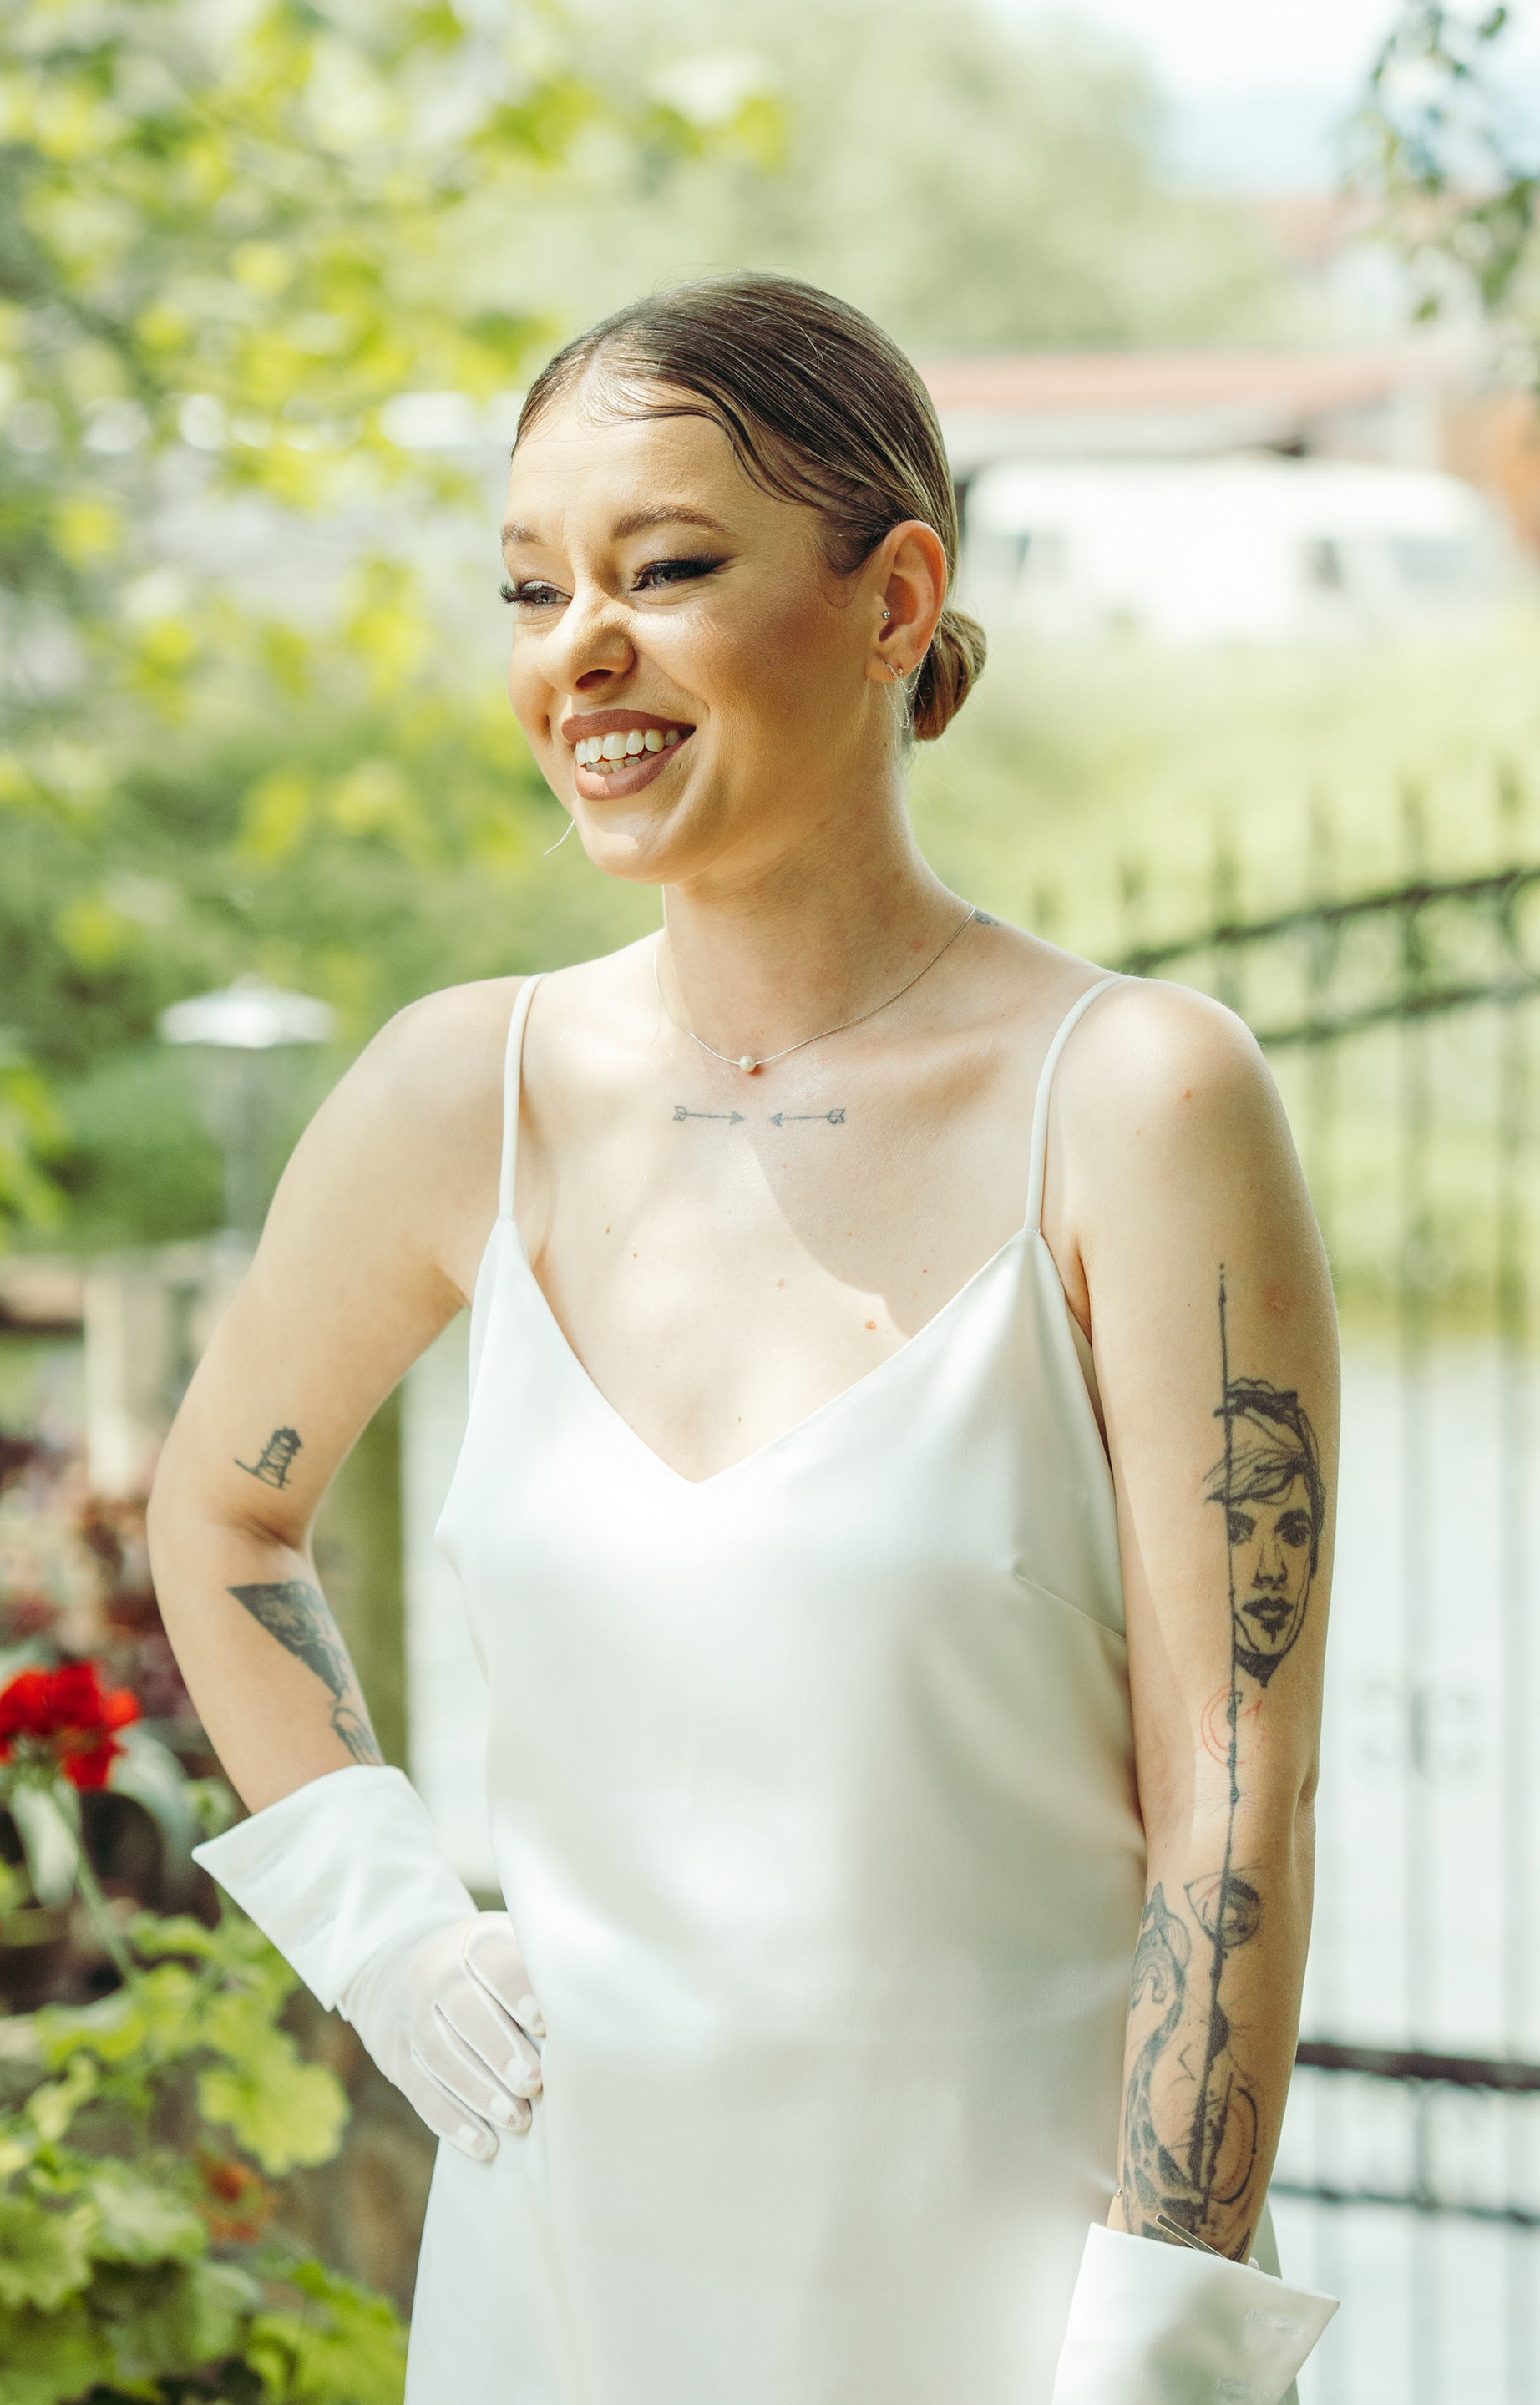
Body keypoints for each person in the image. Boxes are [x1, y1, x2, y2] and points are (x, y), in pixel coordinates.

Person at [149, 274, 1340, 2404]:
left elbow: (1233, 1813)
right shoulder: (463, 1095)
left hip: (1003, 2312)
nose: (580, 649)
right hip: (560, 2290)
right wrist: (387, 1928)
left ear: (897, 602)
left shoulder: (1140, 1101)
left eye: (669, 569)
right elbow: (220, 1517)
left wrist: (1165, 2354)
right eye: (534, 588)